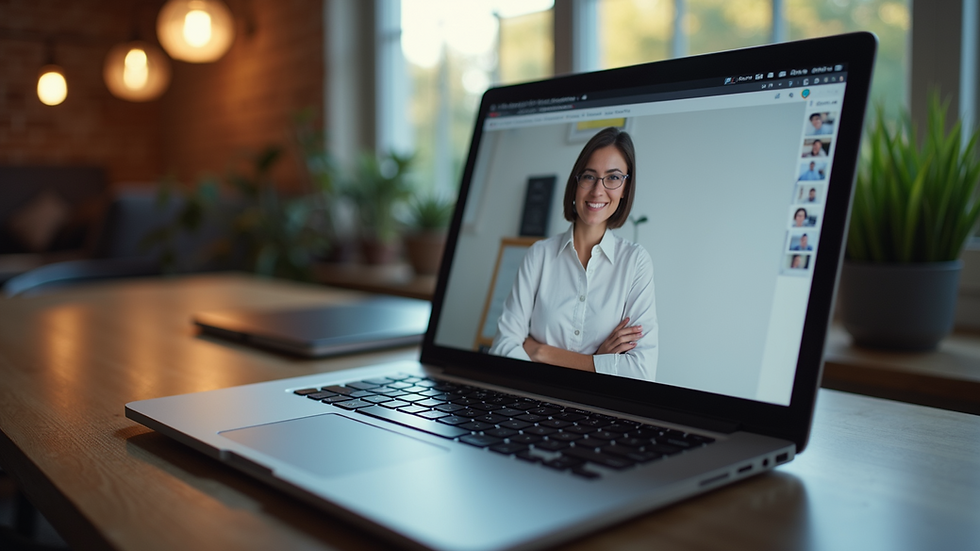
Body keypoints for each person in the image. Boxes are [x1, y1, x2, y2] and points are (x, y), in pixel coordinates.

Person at [489, 127, 658, 381]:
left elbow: (641, 372)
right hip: (534, 402)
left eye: (612, 178)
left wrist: (542, 353)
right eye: (589, 176)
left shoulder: (635, 263)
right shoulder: (539, 255)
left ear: (625, 188)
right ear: (576, 182)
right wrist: (598, 361)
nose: (597, 191)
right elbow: (502, 347)